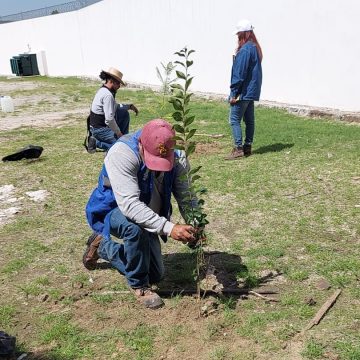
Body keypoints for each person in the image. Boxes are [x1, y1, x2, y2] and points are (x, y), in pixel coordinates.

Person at [83, 119, 201, 309]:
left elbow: (186, 195)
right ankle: (139, 285)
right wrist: (168, 228)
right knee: (133, 229)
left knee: (156, 275)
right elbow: (129, 205)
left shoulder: (178, 157)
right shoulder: (121, 153)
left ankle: (103, 247)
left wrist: (195, 222)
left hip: (148, 215)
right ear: (141, 145)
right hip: (113, 209)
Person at [225, 19, 263, 160]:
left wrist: (234, 93)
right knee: (249, 120)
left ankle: (238, 148)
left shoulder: (246, 49)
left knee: (234, 119)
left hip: (243, 91)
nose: (238, 37)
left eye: (239, 34)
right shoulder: (254, 47)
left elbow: (239, 73)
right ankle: (248, 147)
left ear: (246, 34)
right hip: (251, 91)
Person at [87, 67, 139, 152]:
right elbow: (109, 119)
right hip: (99, 129)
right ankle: (96, 142)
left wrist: (129, 106)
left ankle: (122, 138)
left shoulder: (103, 90)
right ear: (111, 81)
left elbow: (115, 106)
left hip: (98, 127)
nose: (119, 86)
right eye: (118, 83)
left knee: (124, 113)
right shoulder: (108, 95)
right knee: (123, 145)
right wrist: (119, 133)